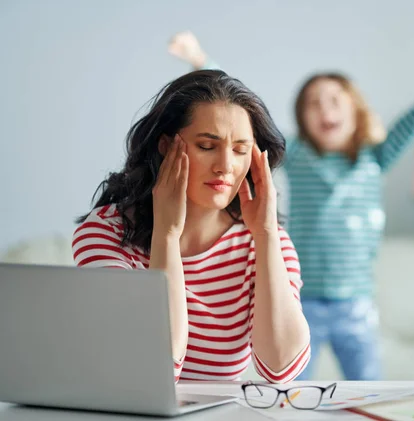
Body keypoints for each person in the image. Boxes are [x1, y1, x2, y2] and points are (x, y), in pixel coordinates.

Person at [168, 29, 414, 380]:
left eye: (334, 100)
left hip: (357, 308)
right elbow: (242, 112)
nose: (324, 108)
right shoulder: (297, 156)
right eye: (313, 102)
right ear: (302, 117)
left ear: (354, 110)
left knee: (370, 393)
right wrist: (199, 60)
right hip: (305, 305)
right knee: (287, 394)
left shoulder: (375, 157)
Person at [72, 69, 311, 383]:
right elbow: (154, 369)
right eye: (207, 146)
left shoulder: (265, 240)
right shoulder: (105, 232)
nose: (225, 166)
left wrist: (266, 236)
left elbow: (282, 368)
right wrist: (167, 237)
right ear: (166, 145)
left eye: (240, 150)